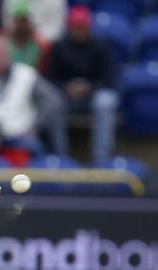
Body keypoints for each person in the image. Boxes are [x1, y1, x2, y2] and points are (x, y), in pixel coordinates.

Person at [0, 33, 66, 165]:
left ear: (9, 55)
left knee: (34, 148)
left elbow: (54, 100)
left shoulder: (26, 74)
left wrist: (34, 127)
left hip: (17, 135)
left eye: (0, 55)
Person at [48, 5, 119, 164]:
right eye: (75, 27)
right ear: (69, 27)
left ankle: (101, 158)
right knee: (53, 101)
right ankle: (60, 156)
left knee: (105, 102)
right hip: (67, 94)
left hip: (94, 93)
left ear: (88, 27)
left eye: (82, 27)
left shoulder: (101, 47)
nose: (79, 30)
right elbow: (51, 79)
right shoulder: (59, 47)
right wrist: (66, 88)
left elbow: (109, 80)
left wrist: (89, 88)